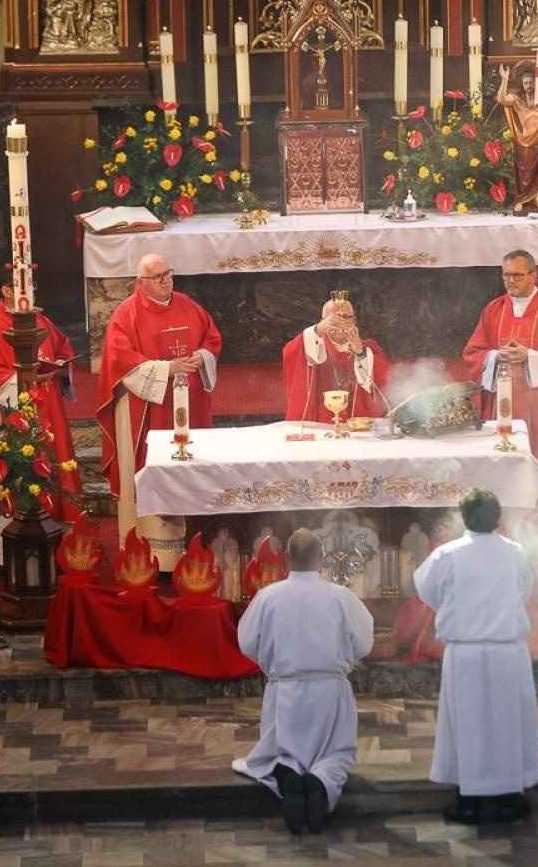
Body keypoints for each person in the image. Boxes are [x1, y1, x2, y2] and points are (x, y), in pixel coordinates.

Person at [414, 488, 538, 825]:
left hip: (466, 651)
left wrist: (458, 607)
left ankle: (469, 802)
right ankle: (509, 799)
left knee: (467, 725)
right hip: (506, 651)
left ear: (464, 518)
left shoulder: (448, 555)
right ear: (497, 518)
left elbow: (427, 590)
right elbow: (524, 590)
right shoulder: (515, 552)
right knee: (507, 723)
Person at [233, 528, 374, 835]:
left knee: (281, 752)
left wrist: (273, 664)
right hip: (330, 689)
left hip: (285, 690)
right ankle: (321, 782)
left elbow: (246, 642)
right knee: (335, 755)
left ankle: (288, 776)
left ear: (286, 559)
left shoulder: (267, 597)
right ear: (321, 558)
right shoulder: (341, 596)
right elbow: (364, 642)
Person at [96, 253, 222, 569]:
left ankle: (194, 544)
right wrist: (168, 368)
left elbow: (212, 337)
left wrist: (202, 357)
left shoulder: (187, 304)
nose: (167, 281)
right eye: (159, 277)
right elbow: (120, 359)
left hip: (187, 404)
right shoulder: (126, 314)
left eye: (168, 274)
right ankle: (151, 554)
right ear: (142, 283)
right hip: (149, 409)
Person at [0, 268, 79, 521]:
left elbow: (63, 348)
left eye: (33, 286)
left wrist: (62, 368)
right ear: (6, 291)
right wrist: (25, 379)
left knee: (55, 461)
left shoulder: (42, 321)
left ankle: (59, 530)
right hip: (14, 415)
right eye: (24, 287)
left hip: (49, 406)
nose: (32, 293)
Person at [462, 249, 538, 479]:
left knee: (536, 469)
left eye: (517, 275)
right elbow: (472, 353)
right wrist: (495, 356)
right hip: (501, 402)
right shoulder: (493, 309)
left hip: (537, 404)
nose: (511, 281)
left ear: (533, 276)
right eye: (506, 275)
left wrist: (531, 356)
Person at [282, 294, 389, 423]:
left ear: (354, 321)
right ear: (323, 321)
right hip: (320, 422)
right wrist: (318, 330)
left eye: (346, 318)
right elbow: (289, 353)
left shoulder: (368, 347)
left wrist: (360, 352)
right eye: (334, 319)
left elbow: (385, 380)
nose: (341, 324)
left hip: (358, 427)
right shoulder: (313, 346)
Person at [494, 62, 538, 212]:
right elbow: (501, 99)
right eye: (526, 83)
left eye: (531, 82)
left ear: (535, 83)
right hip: (523, 144)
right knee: (523, 174)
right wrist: (504, 79)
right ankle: (521, 199)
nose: (529, 85)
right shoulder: (517, 99)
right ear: (522, 84)